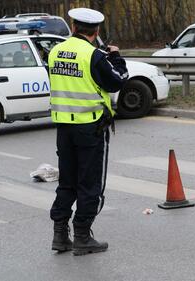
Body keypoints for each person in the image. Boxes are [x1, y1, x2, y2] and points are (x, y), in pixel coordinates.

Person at [48, 7, 129, 256]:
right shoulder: (93, 55)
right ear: (97, 31)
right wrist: (115, 57)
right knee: (89, 183)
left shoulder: (55, 52)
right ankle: (82, 236)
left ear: (73, 27)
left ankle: (60, 235)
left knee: (67, 182)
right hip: (90, 128)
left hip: (64, 127)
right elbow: (118, 79)